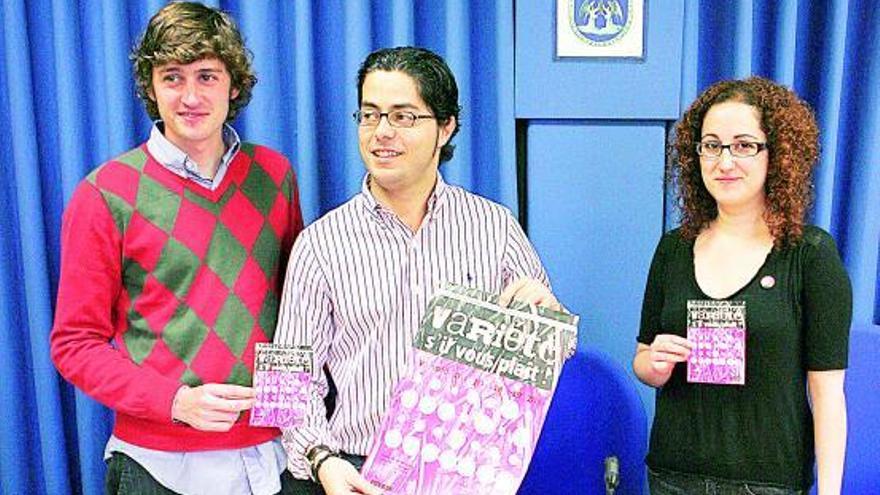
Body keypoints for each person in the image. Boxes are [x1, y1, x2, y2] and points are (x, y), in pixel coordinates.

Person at [274, 46, 562, 494]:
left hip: (466, 473)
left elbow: (554, 351)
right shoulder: (320, 243)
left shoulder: (494, 227)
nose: (381, 132)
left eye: (404, 117)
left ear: (445, 127)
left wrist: (547, 318)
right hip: (356, 472)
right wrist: (321, 459)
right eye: (370, 115)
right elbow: (289, 380)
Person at [50, 3, 304, 494]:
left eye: (207, 76)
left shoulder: (274, 175)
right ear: (150, 87)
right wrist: (174, 402)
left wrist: (294, 421)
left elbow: (298, 308)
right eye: (172, 77)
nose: (191, 96)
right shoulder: (105, 194)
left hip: (275, 459)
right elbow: (74, 343)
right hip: (158, 465)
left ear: (234, 85)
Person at [633, 77, 851, 494]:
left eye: (744, 145)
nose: (724, 161)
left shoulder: (811, 254)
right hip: (673, 476)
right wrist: (654, 364)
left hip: (769, 482)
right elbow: (643, 360)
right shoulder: (673, 249)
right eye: (711, 145)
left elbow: (827, 394)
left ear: (779, 156)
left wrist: (830, 490)